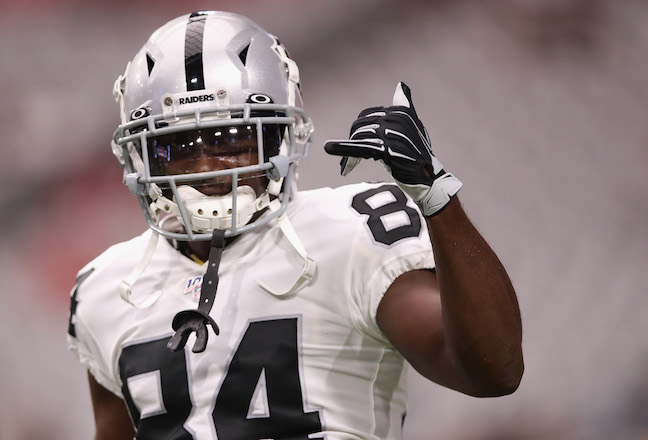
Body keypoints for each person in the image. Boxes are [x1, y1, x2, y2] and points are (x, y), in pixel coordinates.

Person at [67, 10, 523, 440]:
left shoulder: (352, 231)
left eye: (233, 139)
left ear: (279, 139)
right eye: (178, 146)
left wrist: (437, 198)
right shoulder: (106, 287)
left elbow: (491, 372)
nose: (207, 168)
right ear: (142, 159)